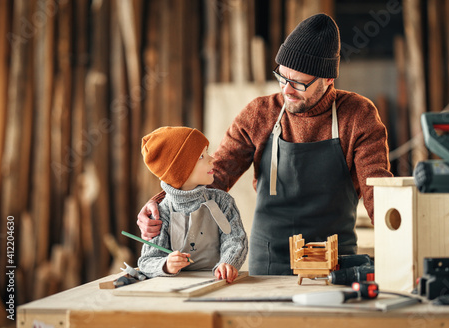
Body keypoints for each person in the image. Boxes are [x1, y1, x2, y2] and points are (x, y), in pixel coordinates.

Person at [137, 14, 392, 275]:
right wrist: (162, 202)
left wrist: (398, 245)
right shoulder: (260, 113)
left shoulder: (358, 115)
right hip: (269, 260)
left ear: (328, 80)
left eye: (299, 83)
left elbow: (379, 194)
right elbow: (215, 175)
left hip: (333, 261)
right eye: (282, 77)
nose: (287, 90)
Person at [137, 126, 248, 282]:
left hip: (218, 282)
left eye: (207, 152)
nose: (212, 158)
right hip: (176, 291)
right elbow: (147, 261)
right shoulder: (160, 213)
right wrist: (166, 265)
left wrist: (228, 263)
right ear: (181, 171)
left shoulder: (223, 202)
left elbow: (235, 239)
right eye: (202, 156)